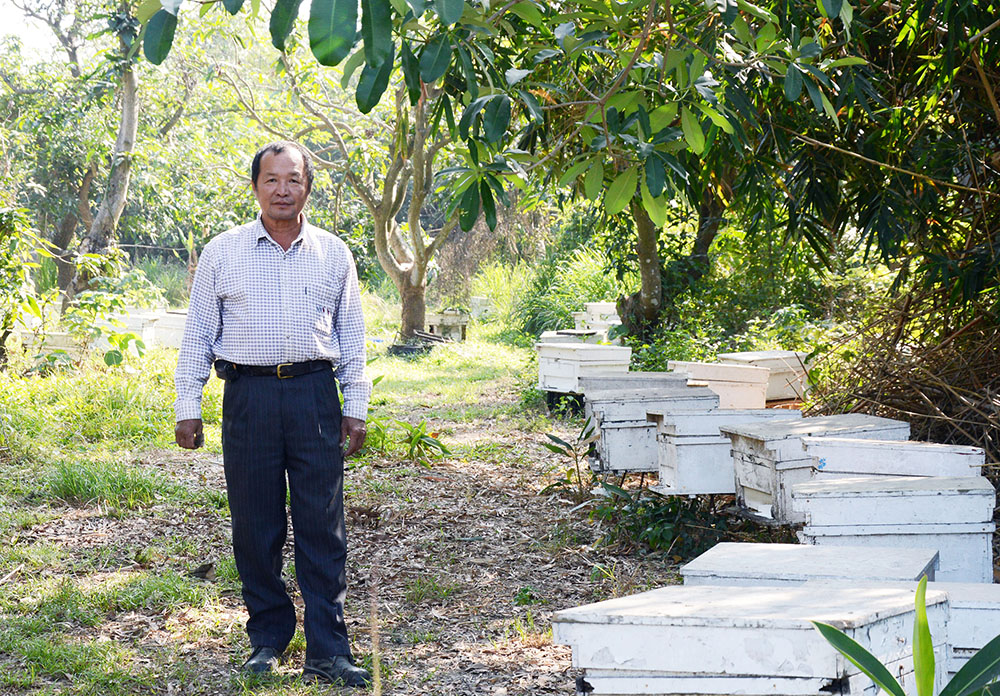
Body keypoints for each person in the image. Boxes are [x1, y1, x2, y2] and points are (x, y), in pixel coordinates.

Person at [173, 141, 372, 687]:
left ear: (308, 187)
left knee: (321, 527)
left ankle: (329, 650)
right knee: (256, 526)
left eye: (294, 180)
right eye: (271, 180)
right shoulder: (223, 252)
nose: (283, 189)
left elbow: (352, 336)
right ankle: (267, 638)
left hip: (314, 396)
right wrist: (187, 405)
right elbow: (197, 337)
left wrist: (354, 407)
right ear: (255, 186)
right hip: (249, 398)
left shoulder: (334, 253)